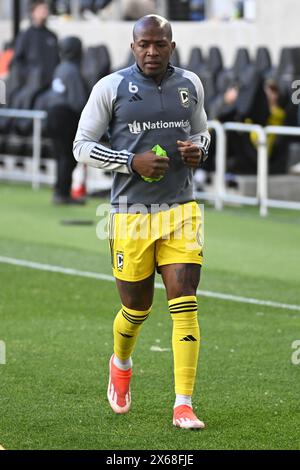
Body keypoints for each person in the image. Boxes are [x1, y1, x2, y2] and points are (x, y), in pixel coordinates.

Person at [73, 15, 210, 429]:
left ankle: (183, 404)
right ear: (133, 47)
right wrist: (130, 161)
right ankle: (121, 362)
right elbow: (81, 146)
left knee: (184, 303)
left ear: (172, 45)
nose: (152, 52)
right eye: (144, 45)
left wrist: (199, 150)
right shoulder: (110, 88)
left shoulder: (191, 84)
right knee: (136, 308)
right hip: (130, 215)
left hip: (181, 210)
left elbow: (204, 133)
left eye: (160, 44)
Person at [35, 36, 88, 204]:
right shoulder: (72, 70)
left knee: (61, 156)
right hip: (65, 116)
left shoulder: (60, 68)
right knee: (68, 156)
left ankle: (59, 190)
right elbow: (78, 100)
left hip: (52, 114)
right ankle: (63, 194)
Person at [12, 0, 59, 89]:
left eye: (46, 9)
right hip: (32, 85)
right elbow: (17, 61)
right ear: (33, 12)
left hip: (50, 84)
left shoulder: (52, 36)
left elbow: (57, 60)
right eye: (41, 9)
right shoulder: (25, 35)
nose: (44, 12)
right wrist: (30, 75)